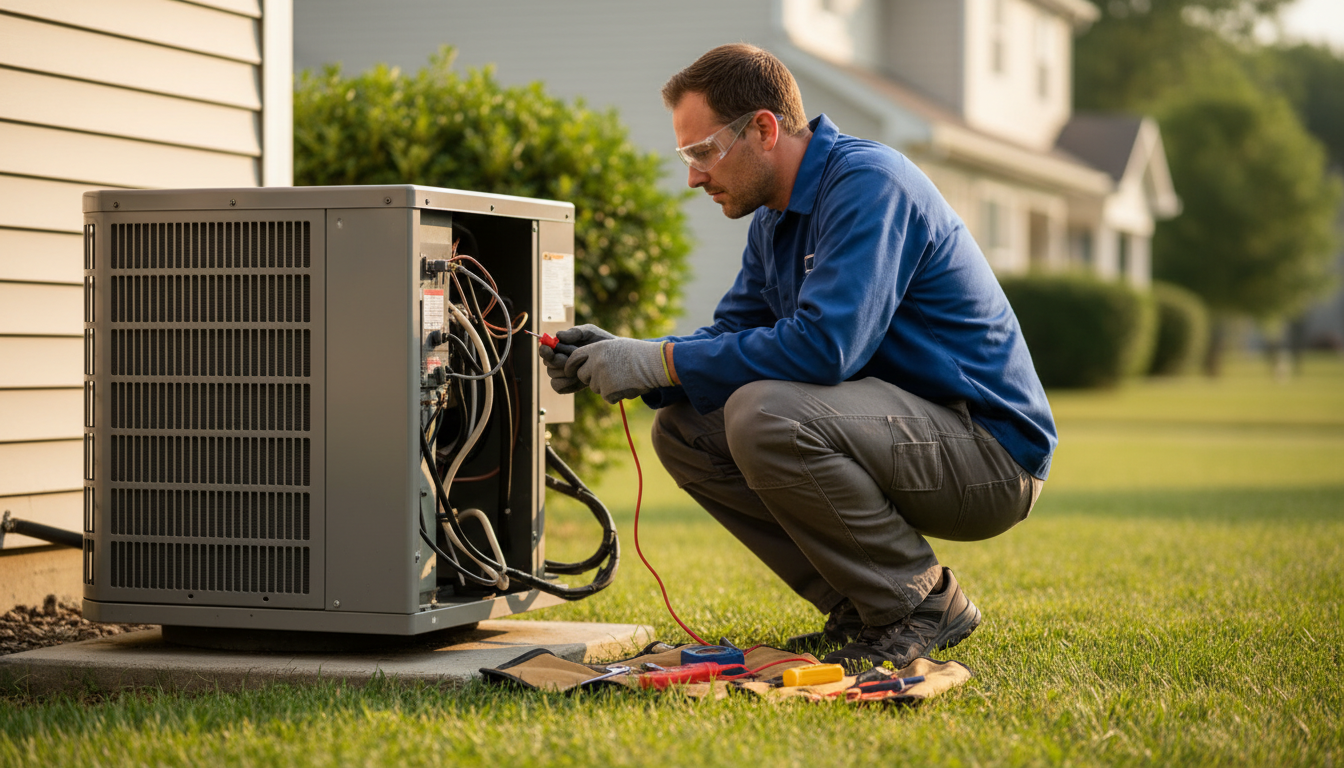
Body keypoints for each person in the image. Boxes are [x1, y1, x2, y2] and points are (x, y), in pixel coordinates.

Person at [539, 43, 1056, 671]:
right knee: (685, 429)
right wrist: (627, 354)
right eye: (688, 156)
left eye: (702, 152)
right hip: (905, 434)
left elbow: (824, 348)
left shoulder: (870, 184)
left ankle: (920, 604)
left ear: (763, 128)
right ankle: (861, 606)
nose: (694, 176)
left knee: (766, 412)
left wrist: (659, 362)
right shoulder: (776, 217)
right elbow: (733, 332)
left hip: (990, 455)